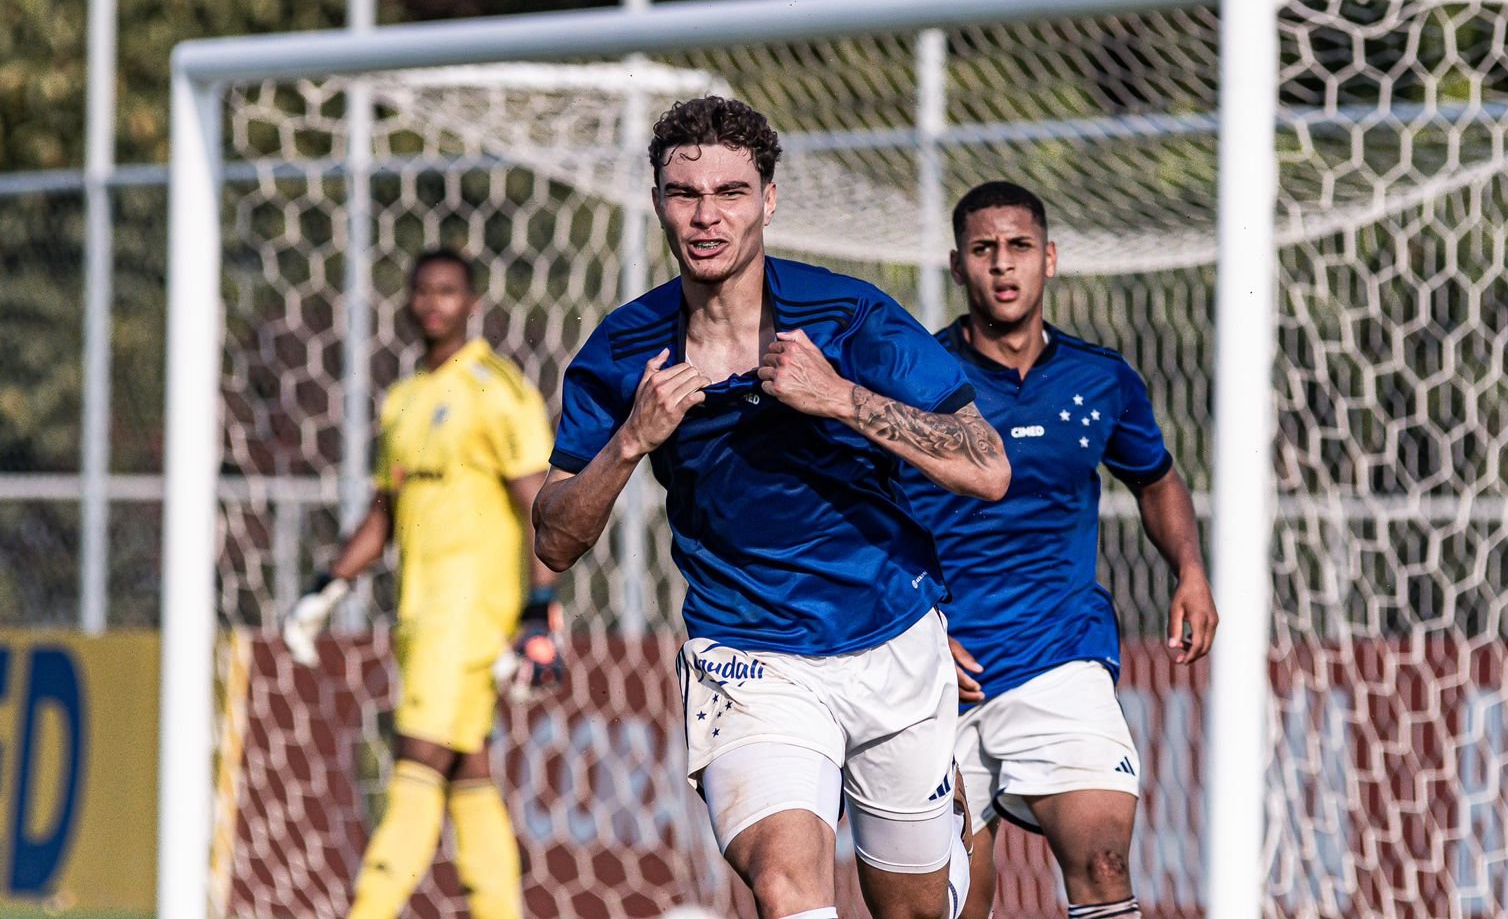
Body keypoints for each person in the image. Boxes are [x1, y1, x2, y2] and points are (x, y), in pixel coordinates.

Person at [533, 96, 1012, 919]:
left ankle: (956, 829)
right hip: (749, 658)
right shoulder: (623, 349)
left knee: (917, 911)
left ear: (769, 200)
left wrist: (840, 398)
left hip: (892, 643)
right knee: (791, 890)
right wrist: (630, 442)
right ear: (657, 202)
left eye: (730, 192)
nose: (706, 216)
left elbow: (988, 466)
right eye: (685, 194)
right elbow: (554, 538)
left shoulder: (849, 317)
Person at [898, 181, 1219, 919]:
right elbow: (861, 512)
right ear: (957, 265)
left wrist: (1191, 572)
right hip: (938, 676)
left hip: (1060, 655)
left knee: (1104, 860)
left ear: (1049, 259)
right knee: (949, 906)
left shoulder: (1100, 379)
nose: (1002, 267)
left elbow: (1157, 479)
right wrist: (914, 629)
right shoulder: (915, 378)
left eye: (1017, 249)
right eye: (984, 250)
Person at [283, 247, 564, 919]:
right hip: (420, 613)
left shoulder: (496, 390)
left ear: (472, 304)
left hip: (473, 614)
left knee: (416, 757)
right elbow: (385, 512)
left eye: (448, 291)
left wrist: (540, 610)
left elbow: (542, 509)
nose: (433, 303)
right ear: (409, 301)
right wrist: (327, 586)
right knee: (468, 770)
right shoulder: (405, 400)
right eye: (423, 291)